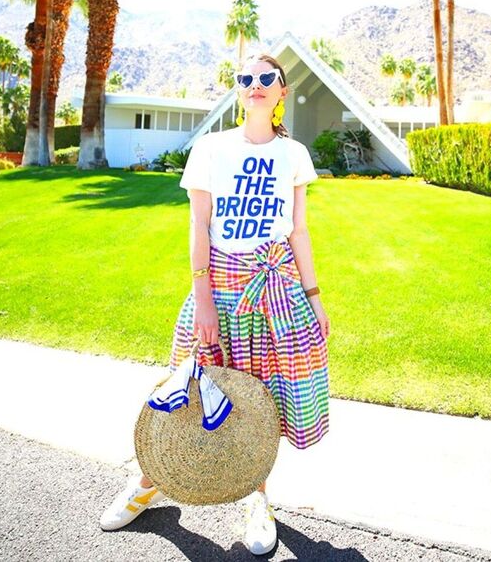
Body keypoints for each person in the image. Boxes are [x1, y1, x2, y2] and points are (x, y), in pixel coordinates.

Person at [99, 52, 331, 556]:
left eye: (266, 77)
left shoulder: (294, 154)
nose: (255, 83)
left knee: (260, 405)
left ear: (282, 91)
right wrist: (203, 298)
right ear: (238, 90)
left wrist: (314, 298)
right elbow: (198, 226)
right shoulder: (211, 148)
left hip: (275, 293)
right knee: (186, 390)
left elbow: (299, 231)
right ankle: (149, 482)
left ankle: (257, 498)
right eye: (246, 77)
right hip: (220, 289)